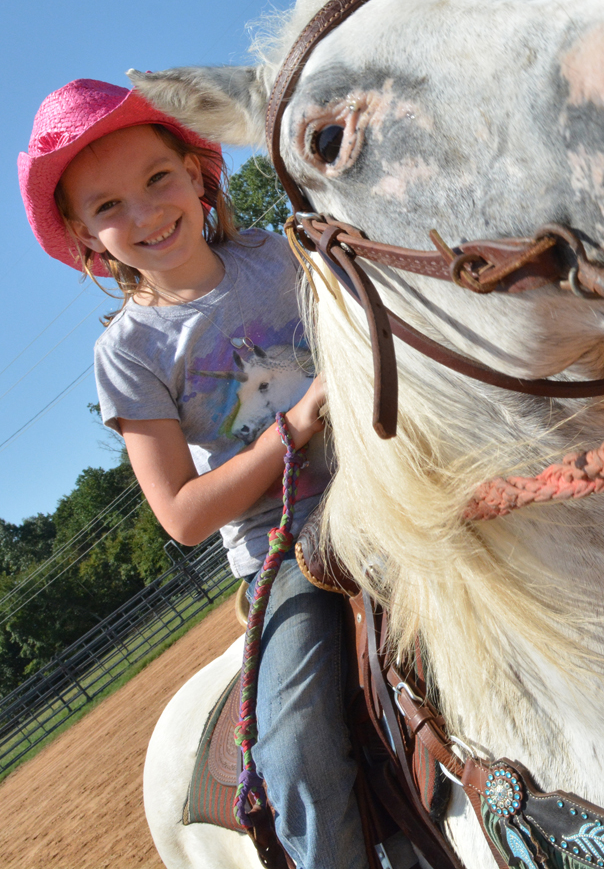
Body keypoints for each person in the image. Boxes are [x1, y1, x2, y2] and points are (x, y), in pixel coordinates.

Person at [17, 78, 366, 869]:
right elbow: (179, 512)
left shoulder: (283, 255)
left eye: (156, 179)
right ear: (81, 232)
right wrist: (297, 427)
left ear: (197, 172)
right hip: (295, 551)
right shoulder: (130, 354)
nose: (143, 214)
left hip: (399, 485)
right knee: (297, 748)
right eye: (106, 206)